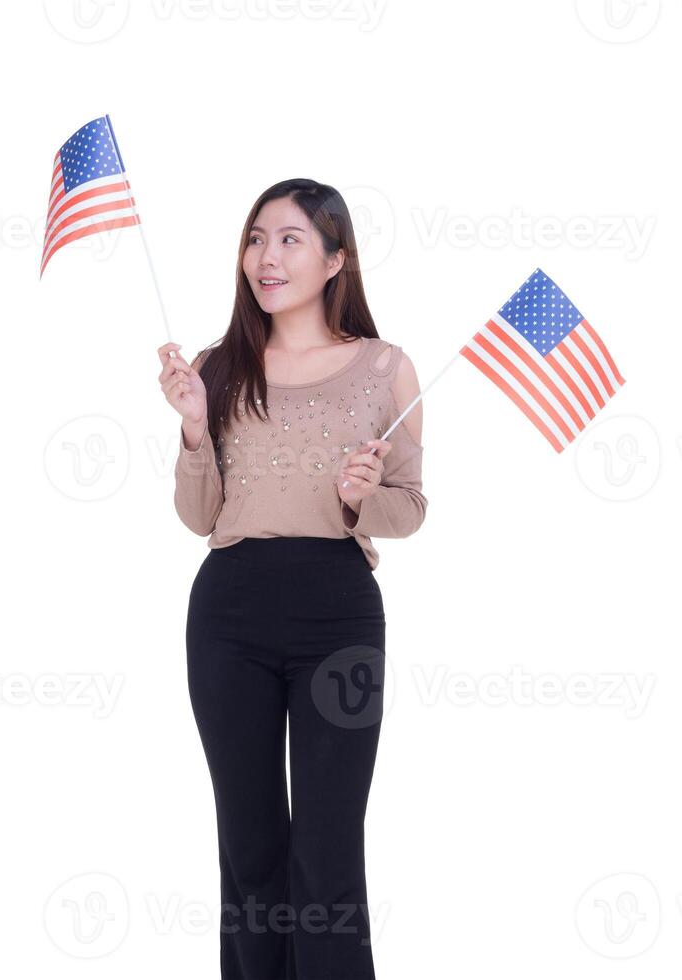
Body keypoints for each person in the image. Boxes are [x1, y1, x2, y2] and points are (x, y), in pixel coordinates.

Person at [157, 178, 427, 979]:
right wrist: (194, 429)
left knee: (327, 850)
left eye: (287, 240)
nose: (264, 257)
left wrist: (357, 500)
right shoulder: (215, 366)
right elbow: (199, 515)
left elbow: (408, 510)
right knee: (248, 849)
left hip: (337, 614)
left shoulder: (385, 368)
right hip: (228, 613)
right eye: (254, 238)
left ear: (335, 260)